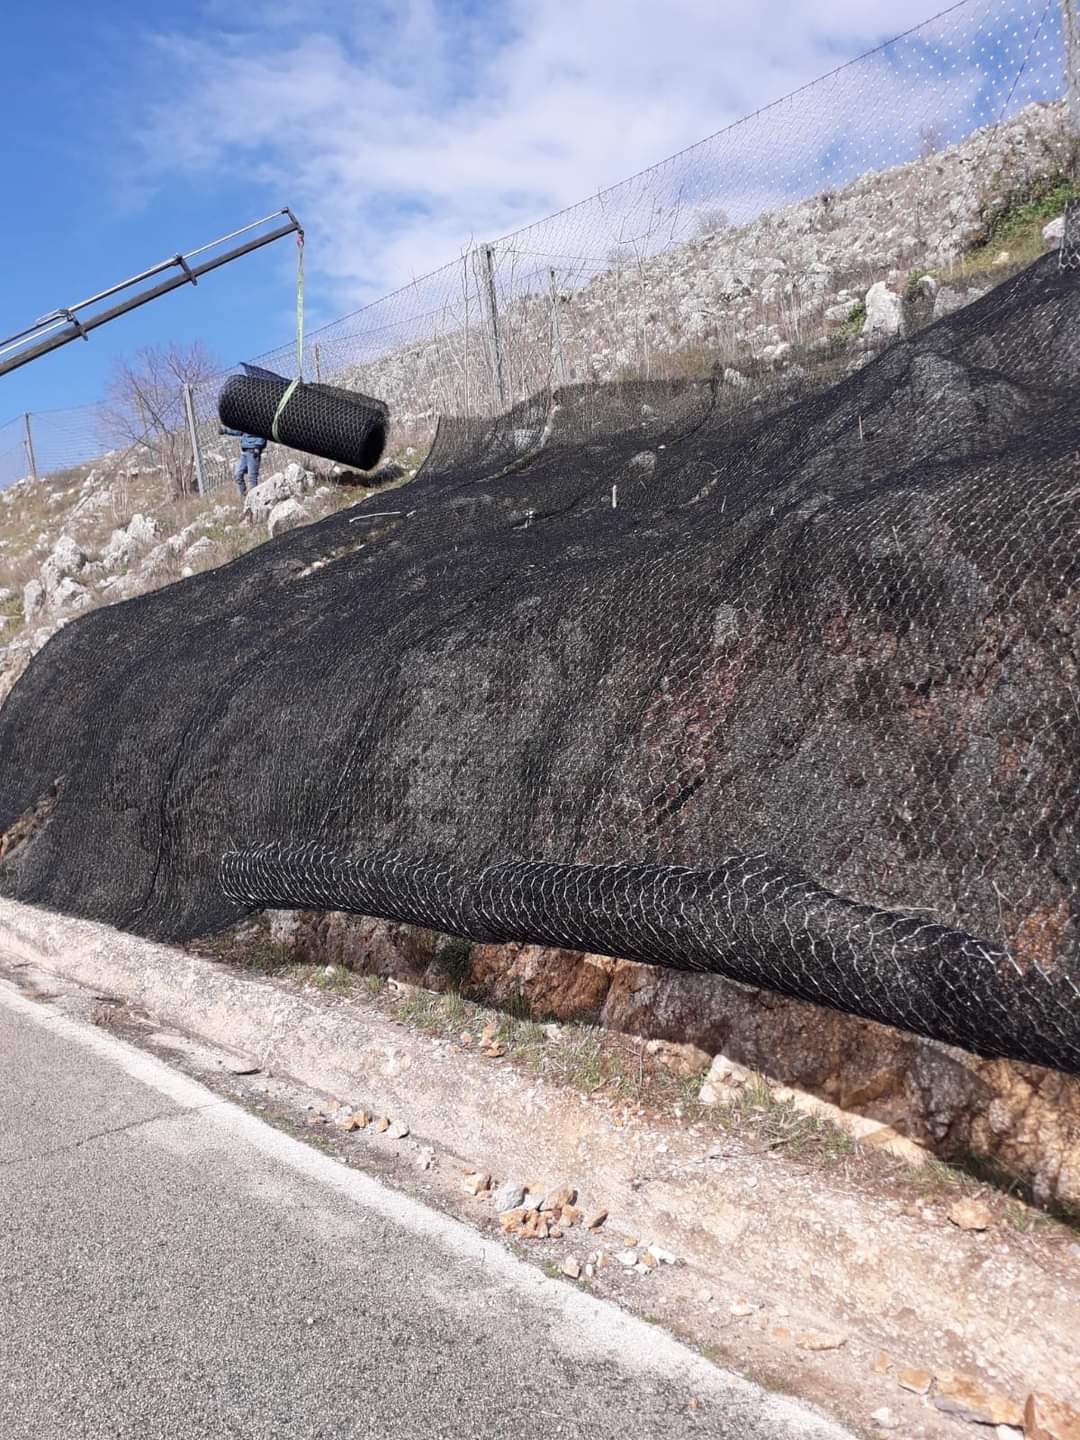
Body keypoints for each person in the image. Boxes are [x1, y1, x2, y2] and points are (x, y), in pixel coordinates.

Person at [220, 426, 267, 498]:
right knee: (238, 474)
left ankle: (253, 500)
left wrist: (257, 447)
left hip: (253, 452)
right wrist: (225, 430)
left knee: (252, 478)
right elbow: (239, 430)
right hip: (244, 452)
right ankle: (245, 497)